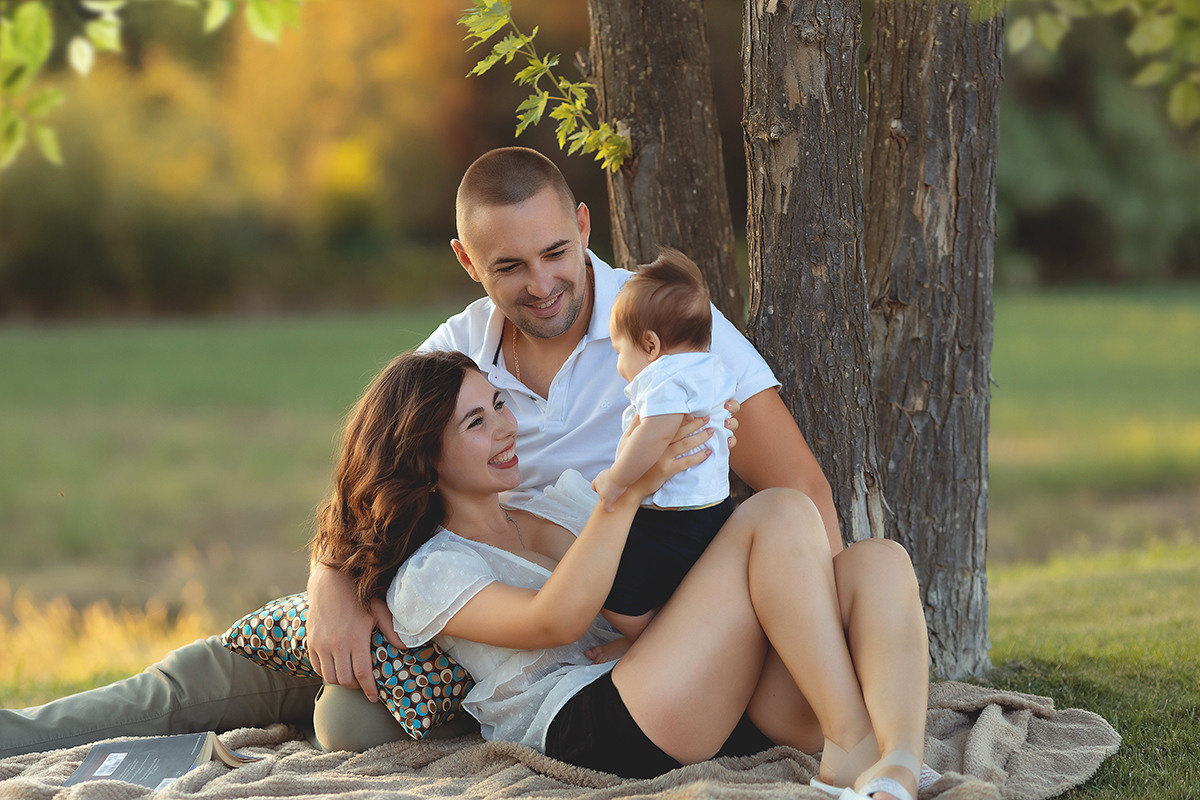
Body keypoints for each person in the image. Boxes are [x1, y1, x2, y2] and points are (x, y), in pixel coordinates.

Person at [0, 147, 928, 799]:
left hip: (620, 628)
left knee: (865, 555)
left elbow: (794, 496)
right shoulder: (456, 362)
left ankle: (888, 760)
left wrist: (800, 627)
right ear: (467, 262)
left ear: (583, 224)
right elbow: (374, 473)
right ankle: (19, 735)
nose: (542, 285)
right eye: (509, 267)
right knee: (249, 691)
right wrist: (332, 580)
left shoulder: (670, 328)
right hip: (469, 612)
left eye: (557, 253)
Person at [310, 349, 930, 800]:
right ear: (424, 456)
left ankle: (898, 765)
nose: (504, 426)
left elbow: (659, 591)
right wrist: (628, 491)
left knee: (880, 560)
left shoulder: (553, 503)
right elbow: (553, 618)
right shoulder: (431, 570)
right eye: (475, 422)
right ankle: (851, 741)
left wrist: (697, 452)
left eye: (498, 403)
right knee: (777, 510)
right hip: (599, 723)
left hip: (689, 692)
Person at [590, 248, 737, 652]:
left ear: (650, 345)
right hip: (712, 509)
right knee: (680, 587)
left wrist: (616, 479)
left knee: (608, 592)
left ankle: (654, 647)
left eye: (620, 352)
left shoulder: (665, 380)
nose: (620, 365)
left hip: (675, 518)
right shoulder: (711, 369)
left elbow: (655, 435)